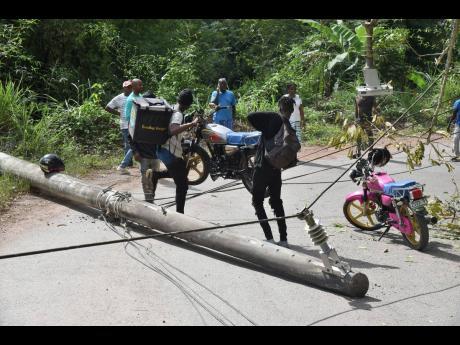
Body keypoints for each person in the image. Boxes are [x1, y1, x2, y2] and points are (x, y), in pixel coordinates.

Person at [247, 96, 296, 248]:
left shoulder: (274, 118)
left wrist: (270, 116)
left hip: (262, 167)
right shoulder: (289, 125)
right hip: (277, 169)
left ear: (280, 107)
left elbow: (250, 117)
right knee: (276, 202)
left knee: (257, 202)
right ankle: (284, 239)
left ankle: (269, 238)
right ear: (292, 110)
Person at [154, 89, 199, 214]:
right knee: (183, 185)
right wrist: (192, 123)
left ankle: (155, 175)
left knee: (180, 171)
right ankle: (180, 214)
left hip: (162, 149)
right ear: (188, 104)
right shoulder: (178, 114)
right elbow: (173, 130)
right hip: (169, 153)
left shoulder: (173, 108)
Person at [117, 78, 144, 174]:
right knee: (135, 147)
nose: (142, 87)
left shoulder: (140, 96)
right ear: (133, 87)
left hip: (140, 126)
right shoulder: (130, 99)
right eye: (139, 85)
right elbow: (127, 115)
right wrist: (134, 126)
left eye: (142, 85)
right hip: (133, 127)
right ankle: (122, 166)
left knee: (137, 147)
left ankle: (142, 168)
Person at [105, 80, 133, 168]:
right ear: (123, 88)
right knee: (129, 144)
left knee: (129, 144)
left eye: (129, 87)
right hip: (124, 124)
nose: (128, 89)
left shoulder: (134, 97)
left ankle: (129, 162)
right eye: (126, 87)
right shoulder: (119, 98)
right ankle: (125, 164)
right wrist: (119, 113)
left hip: (133, 124)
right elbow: (108, 107)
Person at [451, 98, 460, 162]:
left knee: (456, 138)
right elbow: (454, 113)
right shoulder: (458, 102)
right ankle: (457, 155)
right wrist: (449, 124)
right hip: (458, 124)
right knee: (456, 138)